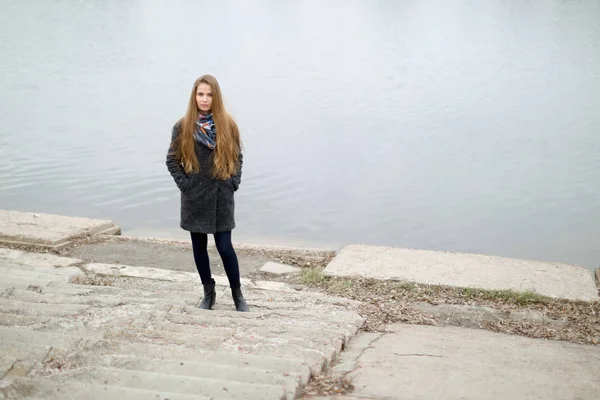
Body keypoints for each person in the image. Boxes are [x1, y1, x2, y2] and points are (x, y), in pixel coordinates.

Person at [166, 74, 248, 312]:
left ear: (216, 97)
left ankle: (238, 295)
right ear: (194, 96)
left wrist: (234, 182)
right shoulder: (182, 127)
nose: (204, 99)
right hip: (195, 196)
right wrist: (186, 185)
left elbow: (237, 157)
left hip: (222, 196)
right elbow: (172, 161)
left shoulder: (228, 125)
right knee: (199, 246)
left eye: (209, 95)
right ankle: (208, 293)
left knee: (225, 247)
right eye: (200, 94)